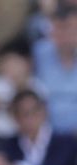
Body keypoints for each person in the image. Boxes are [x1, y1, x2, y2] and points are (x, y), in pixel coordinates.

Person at [0, 88, 77, 165]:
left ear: (44, 111)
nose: (30, 119)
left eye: (34, 112)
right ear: (15, 118)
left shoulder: (66, 143)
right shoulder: (10, 145)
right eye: (24, 114)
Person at [34, 2, 77, 133]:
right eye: (59, 28)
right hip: (48, 133)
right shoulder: (38, 53)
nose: (64, 35)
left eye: (69, 28)